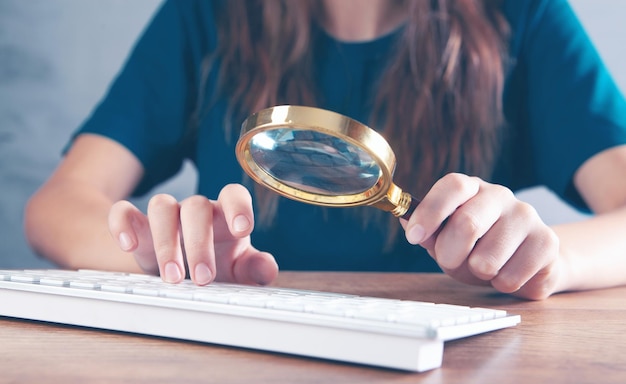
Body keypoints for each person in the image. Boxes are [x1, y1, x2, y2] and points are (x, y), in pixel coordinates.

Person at [24, 0, 626, 300]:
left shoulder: (523, 17)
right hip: (242, 359)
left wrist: (546, 260)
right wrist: (166, 255)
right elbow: (56, 206)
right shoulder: (206, 15)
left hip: (455, 373)